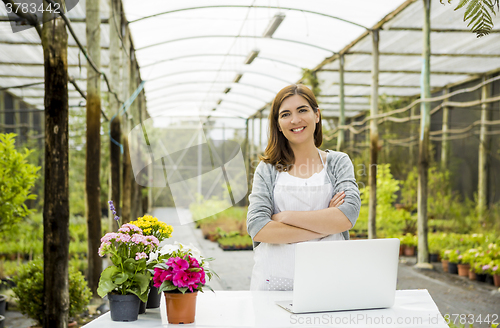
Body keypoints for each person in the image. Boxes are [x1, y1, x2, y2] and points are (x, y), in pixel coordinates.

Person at [246, 84, 361, 291]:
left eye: (302, 110)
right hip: (274, 281)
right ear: (278, 124)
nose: (295, 120)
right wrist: (326, 225)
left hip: (331, 279)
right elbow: (258, 227)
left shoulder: (338, 162)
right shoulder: (267, 169)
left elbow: (347, 216)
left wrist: (284, 217)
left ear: (317, 115)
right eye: (285, 114)